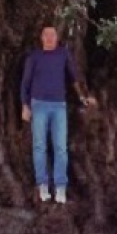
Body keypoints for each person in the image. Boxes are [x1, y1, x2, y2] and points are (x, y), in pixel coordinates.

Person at [20, 26, 96, 204]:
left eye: (52, 35)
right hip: (38, 105)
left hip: (59, 106)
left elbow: (74, 77)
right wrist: (25, 105)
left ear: (57, 37)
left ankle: (60, 187)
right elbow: (25, 82)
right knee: (39, 147)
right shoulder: (34, 57)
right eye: (46, 35)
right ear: (41, 37)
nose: (49, 38)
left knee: (60, 147)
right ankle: (43, 186)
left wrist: (82, 97)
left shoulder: (63, 54)